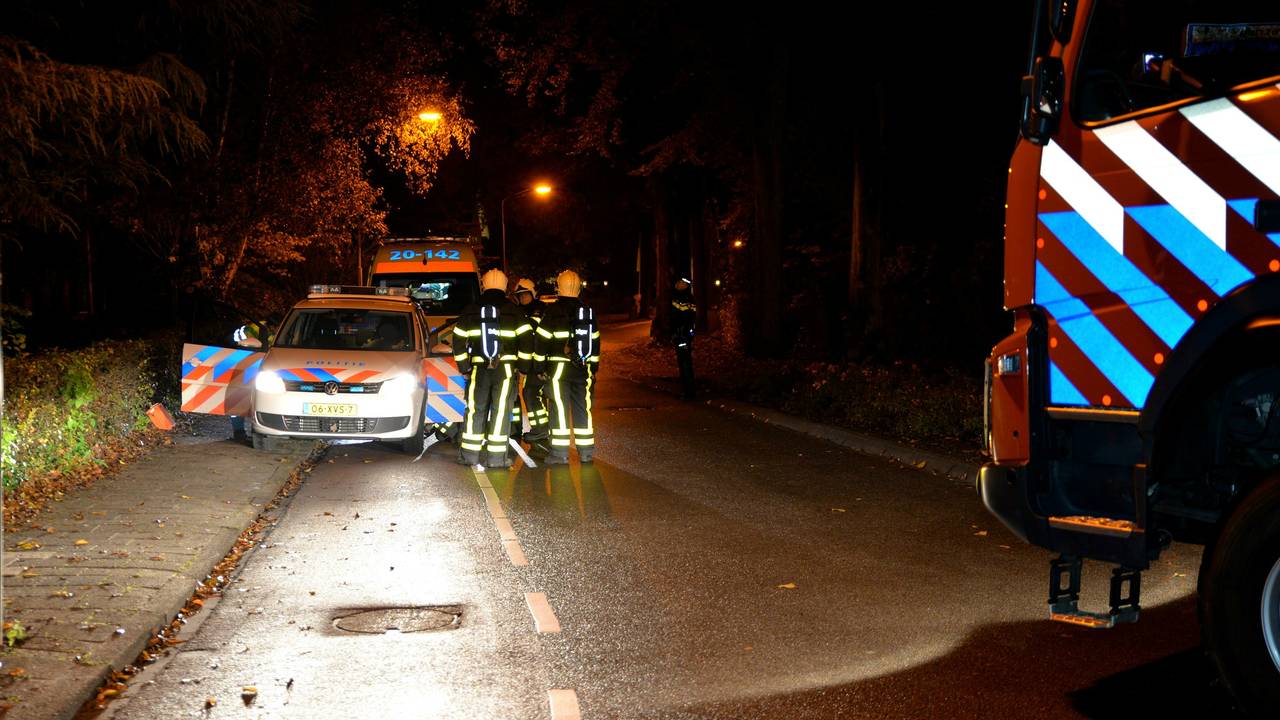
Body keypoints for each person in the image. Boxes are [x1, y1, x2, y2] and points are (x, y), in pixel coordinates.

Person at [452, 269, 533, 468]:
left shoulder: (471, 310)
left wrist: (464, 367)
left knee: (475, 410)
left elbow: (458, 340)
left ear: (484, 285)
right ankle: (497, 459)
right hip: (505, 370)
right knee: (501, 412)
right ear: (505, 286)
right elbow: (527, 341)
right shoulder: (514, 311)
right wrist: (522, 368)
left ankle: (469, 455)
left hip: (478, 369)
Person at [534, 269, 600, 464]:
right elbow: (595, 343)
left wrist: (539, 368)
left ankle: (559, 453)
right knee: (583, 409)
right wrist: (593, 369)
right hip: (583, 368)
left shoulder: (553, 312)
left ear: (559, 287)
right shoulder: (587, 312)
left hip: (558, 370)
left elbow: (541, 342)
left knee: (559, 410)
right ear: (578, 288)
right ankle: (586, 452)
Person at [510, 277, 550, 442]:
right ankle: (538, 428)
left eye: (525, 295)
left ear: (533, 294)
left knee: (531, 393)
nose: (523, 298)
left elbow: (530, 328)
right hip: (530, 361)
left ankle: (541, 428)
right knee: (530, 393)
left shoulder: (540, 310)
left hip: (540, 360)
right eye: (520, 296)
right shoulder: (519, 311)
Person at [229, 319, 272, 442]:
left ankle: (255, 432)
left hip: (259, 367)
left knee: (257, 401)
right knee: (240, 400)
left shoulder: (271, 330)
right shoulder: (253, 329)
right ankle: (239, 432)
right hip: (245, 365)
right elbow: (243, 343)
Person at [670, 277, 697, 400]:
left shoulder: (678, 299)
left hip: (681, 335)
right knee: (687, 362)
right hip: (686, 335)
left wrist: (675, 333)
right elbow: (692, 317)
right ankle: (689, 390)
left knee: (683, 362)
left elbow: (675, 318)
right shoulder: (691, 299)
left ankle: (687, 392)